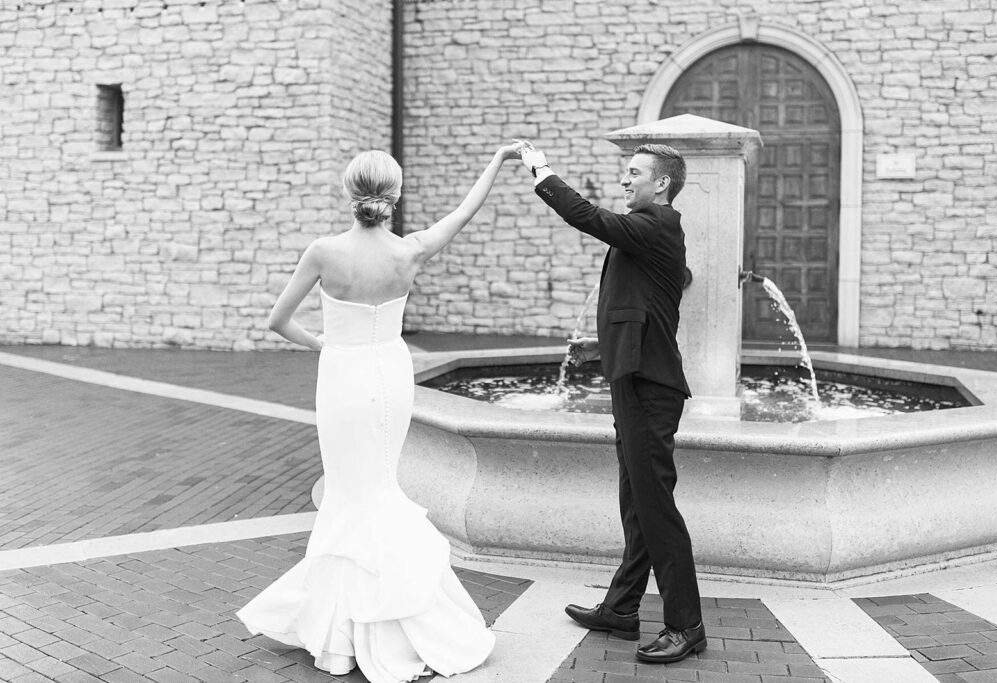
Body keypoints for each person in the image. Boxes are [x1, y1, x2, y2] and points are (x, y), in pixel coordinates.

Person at [237, 143, 522, 682]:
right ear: (395, 196)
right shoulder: (411, 250)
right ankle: (394, 617)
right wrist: (501, 158)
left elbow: (278, 320)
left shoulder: (323, 251)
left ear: (349, 194)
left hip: (342, 376)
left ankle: (343, 631)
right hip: (392, 376)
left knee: (349, 494)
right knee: (381, 489)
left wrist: (323, 342)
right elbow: (465, 211)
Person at [517, 141, 704, 664]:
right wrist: (604, 345)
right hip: (633, 379)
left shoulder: (658, 224)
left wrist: (541, 170)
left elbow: (585, 216)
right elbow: (640, 307)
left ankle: (686, 625)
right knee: (637, 503)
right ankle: (622, 609)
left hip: (651, 387)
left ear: (661, 182)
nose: (625, 181)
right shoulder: (645, 232)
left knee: (656, 508)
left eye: (633, 173)